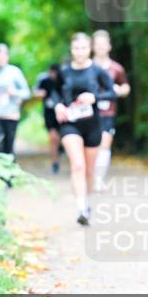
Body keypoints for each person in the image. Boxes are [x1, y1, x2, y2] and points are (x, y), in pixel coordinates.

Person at [54, 33, 116, 225]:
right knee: (78, 165)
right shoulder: (64, 72)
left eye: (83, 48)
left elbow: (112, 92)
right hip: (70, 123)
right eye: (75, 48)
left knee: (89, 170)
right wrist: (58, 105)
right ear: (71, 50)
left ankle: (87, 204)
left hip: (93, 124)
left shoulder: (97, 71)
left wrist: (94, 97)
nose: (79, 52)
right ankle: (81, 208)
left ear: (89, 49)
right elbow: (55, 92)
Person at [91, 29, 130, 190]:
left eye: (103, 44)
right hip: (88, 113)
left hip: (108, 112)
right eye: (97, 44)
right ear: (93, 46)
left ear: (109, 46)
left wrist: (118, 90)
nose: (101, 47)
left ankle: (98, 179)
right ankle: (89, 176)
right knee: (91, 145)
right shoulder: (87, 66)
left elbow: (126, 87)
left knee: (105, 144)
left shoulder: (116, 69)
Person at [0, 44, 30, 157]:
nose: (1, 59)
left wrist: (15, 92)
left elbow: (27, 93)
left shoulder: (14, 72)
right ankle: (1, 173)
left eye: (4, 56)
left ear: (7, 57)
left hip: (11, 113)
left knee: (9, 146)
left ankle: (10, 171)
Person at [34, 63, 64, 174]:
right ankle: (54, 162)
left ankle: (60, 150)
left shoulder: (63, 80)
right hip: (49, 113)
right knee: (53, 137)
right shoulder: (44, 81)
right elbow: (36, 93)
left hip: (62, 112)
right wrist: (41, 94)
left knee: (62, 137)